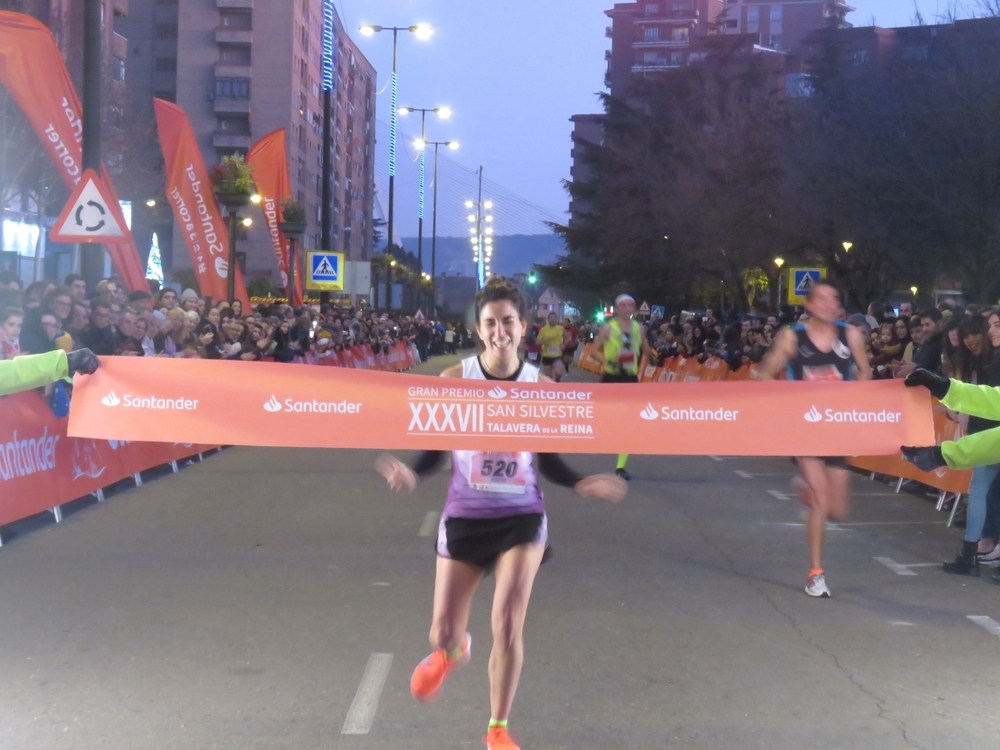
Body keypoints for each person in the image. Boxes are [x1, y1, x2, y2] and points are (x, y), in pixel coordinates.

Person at [376, 277, 626, 750]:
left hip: (521, 517)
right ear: (479, 328)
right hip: (466, 515)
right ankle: (452, 650)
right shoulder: (456, 380)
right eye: (490, 323)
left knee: (508, 622)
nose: (499, 331)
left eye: (508, 321)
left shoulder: (541, 387)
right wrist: (413, 474)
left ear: (524, 326)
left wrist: (579, 482)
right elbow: (435, 449)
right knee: (442, 630)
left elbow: (548, 459)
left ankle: (497, 728)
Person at [755, 281, 871, 597]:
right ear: (808, 305)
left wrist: (857, 397)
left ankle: (807, 492)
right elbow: (767, 373)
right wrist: (767, 389)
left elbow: (864, 372)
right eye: (821, 298)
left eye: (833, 298)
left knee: (839, 512)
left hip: (836, 429)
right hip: (803, 428)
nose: (828, 303)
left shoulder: (852, 335)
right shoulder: (793, 336)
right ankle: (815, 573)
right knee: (822, 499)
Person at [592, 294, 652, 481]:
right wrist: (608, 360)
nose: (627, 308)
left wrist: (654, 357)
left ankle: (620, 467)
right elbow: (594, 351)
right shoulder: (608, 328)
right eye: (623, 305)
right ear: (617, 309)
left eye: (630, 305)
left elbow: (646, 348)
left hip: (629, 379)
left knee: (629, 424)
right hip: (611, 377)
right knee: (607, 420)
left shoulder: (638, 328)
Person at [536, 312, 566, 381]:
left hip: (557, 355)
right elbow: (537, 342)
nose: (552, 319)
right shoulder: (543, 330)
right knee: (548, 377)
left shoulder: (561, 328)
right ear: (548, 319)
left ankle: (557, 381)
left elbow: (567, 336)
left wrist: (564, 343)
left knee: (558, 373)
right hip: (547, 356)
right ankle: (552, 388)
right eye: (551, 318)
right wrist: (546, 340)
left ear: (556, 319)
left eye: (554, 318)